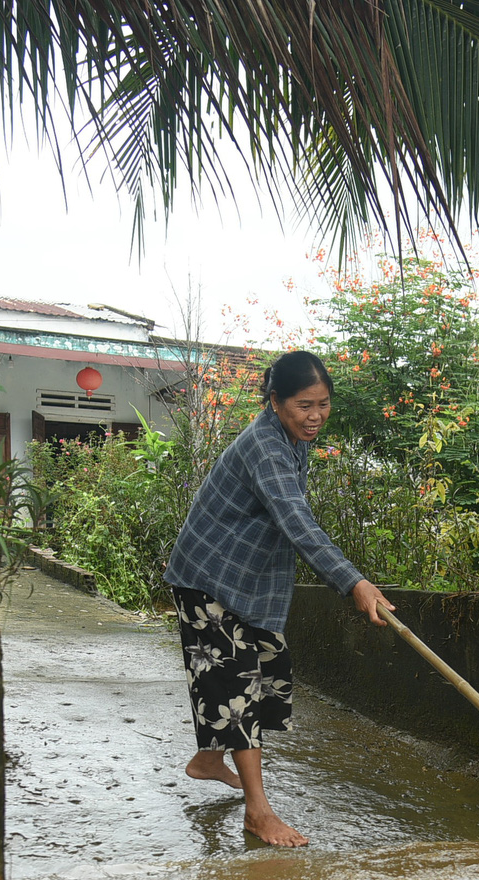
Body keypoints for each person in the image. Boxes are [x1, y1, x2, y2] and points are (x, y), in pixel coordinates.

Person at [163, 349, 394, 847]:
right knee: (237, 685)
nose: (315, 417)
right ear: (275, 401)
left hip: (246, 580)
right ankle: (258, 811)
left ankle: (208, 760)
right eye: (303, 406)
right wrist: (353, 581)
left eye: (324, 404)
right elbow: (296, 522)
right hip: (209, 576)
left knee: (267, 671)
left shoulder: (289, 438)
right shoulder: (266, 446)